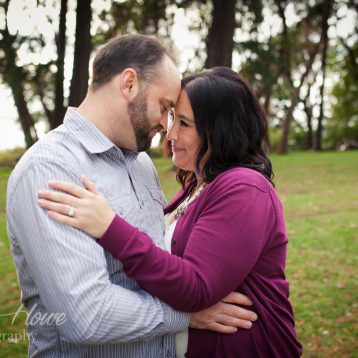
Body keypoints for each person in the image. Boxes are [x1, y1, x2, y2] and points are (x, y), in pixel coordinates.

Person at [6, 36, 256, 358]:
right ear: (128, 83)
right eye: (165, 107)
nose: (166, 126)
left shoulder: (141, 163)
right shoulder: (50, 169)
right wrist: (186, 315)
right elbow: (86, 316)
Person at [37, 67, 303, 357]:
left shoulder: (245, 187)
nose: (170, 131)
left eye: (185, 123)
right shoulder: (196, 185)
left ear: (221, 130)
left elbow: (197, 287)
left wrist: (109, 227)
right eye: (174, 117)